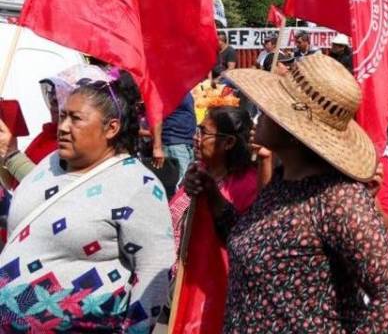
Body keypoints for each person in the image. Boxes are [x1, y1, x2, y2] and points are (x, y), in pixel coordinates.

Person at [183, 53, 388, 332]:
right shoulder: (282, 184)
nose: (260, 115)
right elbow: (252, 240)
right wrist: (212, 194)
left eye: (272, 109)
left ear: (293, 129)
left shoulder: (338, 198)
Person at [0, 75, 174, 331]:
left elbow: (154, 272)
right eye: (63, 116)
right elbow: (22, 225)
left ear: (111, 128)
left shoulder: (137, 185)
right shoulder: (47, 166)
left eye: (76, 118)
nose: (63, 126)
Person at [162, 106, 259, 329]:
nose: (196, 138)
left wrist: (213, 196)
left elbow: (243, 238)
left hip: (219, 289)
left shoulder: (247, 184)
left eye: (204, 132)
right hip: (189, 281)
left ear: (228, 143)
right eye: (198, 130)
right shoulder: (198, 170)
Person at [151, 91, 197, 185]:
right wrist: (157, 147)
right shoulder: (165, 89)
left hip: (188, 141)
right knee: (182, 183)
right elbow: (156, 116)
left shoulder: (185, 89)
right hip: (174, 141)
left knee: (188, 180)